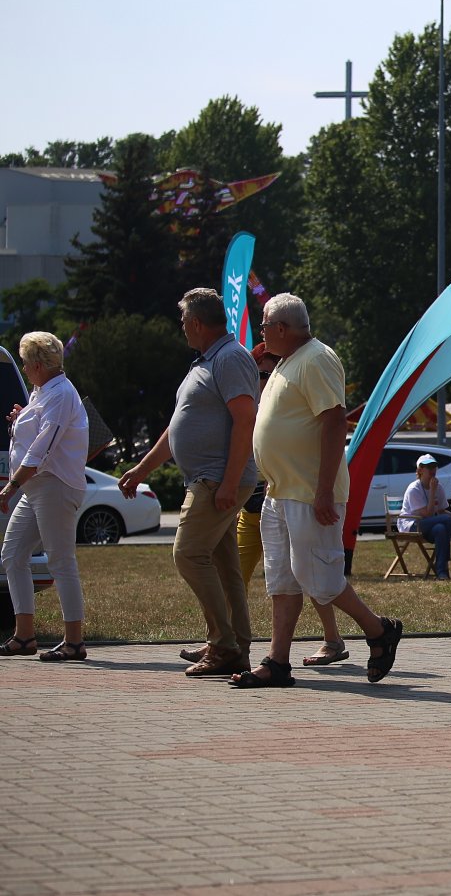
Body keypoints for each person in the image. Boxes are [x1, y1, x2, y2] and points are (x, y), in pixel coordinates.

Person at [230, 294, 402, 688]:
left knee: (320, 579)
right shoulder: (286, 361)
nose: (261, 333)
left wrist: (324, 490)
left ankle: (378, 630)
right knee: (282, 580)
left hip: (309, 492)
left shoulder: (318, 358)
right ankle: (277, 662)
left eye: (265, 326)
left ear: (282, 328)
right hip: (280, 491)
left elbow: (334, 421)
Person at [119, 289, 258, 676]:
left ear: (197, 323)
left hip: (216, 480)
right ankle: (236, 646)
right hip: (211, 479)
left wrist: (230, 483)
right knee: (224, 564)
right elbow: (177, 426)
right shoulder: (206, 361)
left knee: (188, 554)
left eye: (183, 322)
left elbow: (246, 420)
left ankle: (223, 644)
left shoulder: (230, 358)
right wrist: (142, 469)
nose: (181, 329)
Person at [236, 343, 348, 667]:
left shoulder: (300, 379)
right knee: (245, 573)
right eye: (260, 373)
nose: (265, 378)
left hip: (295, 491)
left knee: (309, 572)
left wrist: (323, 489)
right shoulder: (254, 402)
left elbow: (332, 423)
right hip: (260, 495)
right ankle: (227, 640)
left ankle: (342, 636)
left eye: (269, 372)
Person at [0, 332, 90, 662]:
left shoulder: (61, 393)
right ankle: (24, 635)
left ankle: (74, 641)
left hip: (54, 486)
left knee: (60, 560)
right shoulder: (43, 392)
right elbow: (36, 432)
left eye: (25, 364)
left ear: (38, 365)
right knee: (12, 554)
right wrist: (20, 419)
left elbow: (44, 446)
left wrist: (11, 486)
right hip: (37, 488)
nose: (23, 370)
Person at [401, 454, 451, 580]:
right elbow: (429, 514)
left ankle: (442, 572)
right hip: (412, 525)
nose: (432, 470)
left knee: (441, 528)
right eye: (428, 467)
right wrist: (432, 492)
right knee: (446, 521)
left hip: (428, 525)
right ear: (420, 470)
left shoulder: (439, 488)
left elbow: (441, 511)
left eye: (434, 466)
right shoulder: (414, 489)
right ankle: (445, 561)